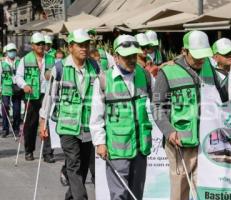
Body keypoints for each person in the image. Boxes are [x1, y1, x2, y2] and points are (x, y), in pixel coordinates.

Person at [152, 30, 223, 200]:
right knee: (180, 191)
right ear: (184, 51)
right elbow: (157, 106)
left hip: (207, 142)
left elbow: (223, 94)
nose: (200, 60)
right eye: (196, 55)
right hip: (180, 143)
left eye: (204, 56)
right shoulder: (166, 72)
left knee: (205, 190)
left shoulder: (209, 67)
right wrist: (169, 131)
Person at [90, 34, 152, 200]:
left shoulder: (145, 76)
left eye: (134, 55)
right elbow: (96, 116)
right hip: (117, 148)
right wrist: (100, 142)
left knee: (136, 194)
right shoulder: (103, 80)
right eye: (127, 57)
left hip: (140, 146)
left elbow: (157, 104)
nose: (132, 60)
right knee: (119, 194)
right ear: (116, 57)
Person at [39, 28, 99, 200]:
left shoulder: (94, 66)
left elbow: (104, 90)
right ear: (70, 47)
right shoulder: (60, 68)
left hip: (88, 126)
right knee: (73, 164)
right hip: (67, 127)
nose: (84, 48)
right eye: (80, 45)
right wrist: (43, 122)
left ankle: (71, 197)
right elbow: (49, 96)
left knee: (83, 167)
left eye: (86, 44)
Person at [16, 32, 55, 161]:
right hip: (31, 95)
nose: (41, 46)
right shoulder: (25, 59)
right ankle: (29, 151)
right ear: (32, 45)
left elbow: (56, 75)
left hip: (46, 94)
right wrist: (24, 85)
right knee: (30, 124)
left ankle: (48, 153)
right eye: (38, 44)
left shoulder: (51, 59)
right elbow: (18, 77)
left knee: (47, 124)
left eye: (43, 43)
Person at [0, 43, 22, 137]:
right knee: (5, 108)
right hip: (6, 88)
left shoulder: (20, 61)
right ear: (7, 52)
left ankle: (16, 128)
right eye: (10, 51)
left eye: (13, 50)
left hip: (17, 88)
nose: (12, 52)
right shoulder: (2, 62)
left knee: (17, 110)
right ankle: (5, 129)